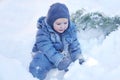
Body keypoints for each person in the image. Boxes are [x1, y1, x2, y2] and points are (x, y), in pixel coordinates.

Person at [29, 2, 85, 80]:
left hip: (62, 55)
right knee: (40, 63)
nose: (62, 26)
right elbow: (46, 48)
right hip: (45, 54)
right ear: (51, 23)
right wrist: (58, 59)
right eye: (58, 24)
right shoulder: (43, 31)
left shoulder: (70, 29)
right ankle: (34, 78)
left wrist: (78, 58)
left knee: (72, 63)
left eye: (65, 23)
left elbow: (74, 46)